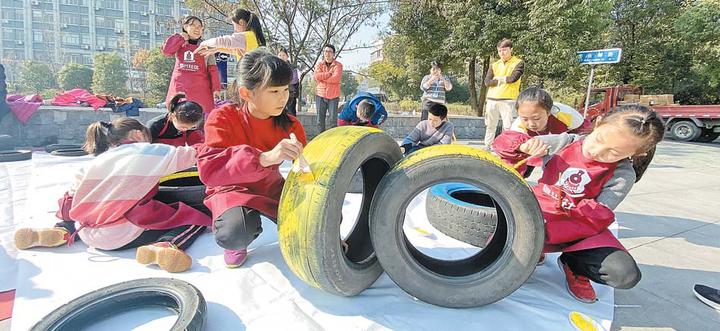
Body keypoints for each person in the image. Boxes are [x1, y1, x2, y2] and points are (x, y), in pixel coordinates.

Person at [499, 104, 665, 303]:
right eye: (599, 139)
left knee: (624, 274)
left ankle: (573, 265)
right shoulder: (564, 142)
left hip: (578, 228)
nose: (597, 151)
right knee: (494, 237)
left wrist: (540, 236)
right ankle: (535, 251)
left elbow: (593, 217)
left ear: (637, 154)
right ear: (599, 123)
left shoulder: (623, 175)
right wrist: (522, 145)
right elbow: (502, 143)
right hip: (538, 213)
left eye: (613, 152)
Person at [14, 118, 210, 273]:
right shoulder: (149, 151)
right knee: (192, 216)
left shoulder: (95, 162)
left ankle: (61, 232)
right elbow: (194, 154)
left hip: (85, 231)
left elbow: (69, 202)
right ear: (137, 133)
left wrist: (68, 220)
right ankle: (166, 245)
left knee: (88, 210)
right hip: (122, 235)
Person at [196, 48, 307, 268]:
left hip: (269, 187)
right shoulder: (223, 117)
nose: (283, 97)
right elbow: (209, 170)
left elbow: (307, 167)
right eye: (274, 91)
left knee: (317, 215)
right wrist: (263, 158)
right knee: (236, 231)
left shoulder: (290, 124)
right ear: (247, 93)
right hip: (230, 189)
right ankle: (235, 243)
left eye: (286, 89)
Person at [493, 87, 592, 175]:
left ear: (548, 112)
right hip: (533, 149)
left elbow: (585, 136)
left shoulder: (569, 117)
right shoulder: (518, 127)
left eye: (536, 118)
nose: (531, 124)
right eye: (525, 119)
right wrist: (522, 147)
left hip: (563, 148)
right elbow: (501, 143)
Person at [162, 16, 221, 116]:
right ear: (185, 27)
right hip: (180, 90)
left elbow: (213, 69)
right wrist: (180, 38)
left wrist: (216, 89)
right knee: (179, 119)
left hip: (200, 92)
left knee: (199, 121)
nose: (197, 29)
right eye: (193, 25)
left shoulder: (206, 46)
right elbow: (167, 51)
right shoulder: (179, 43)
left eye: (200, 26)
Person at [483, 38, 525, 149]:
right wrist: (503, 80)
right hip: (492, 98)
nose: (502, 52)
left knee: (508, 126)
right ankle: (487, 145)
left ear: (511, 49)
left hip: (508, 100)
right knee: (490, 125)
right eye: (500, 50)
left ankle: (507, 147)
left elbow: (513, 79)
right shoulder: (494, 65)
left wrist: (498, 79)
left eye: (505, 50)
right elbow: (487, 82)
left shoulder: (518, 62)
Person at [194, 8, 266, 59]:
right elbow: (234, 50)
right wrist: (216, 49)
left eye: (233, 25)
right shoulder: (253, 37)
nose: (234, 28)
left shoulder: (244, 36)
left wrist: (204, 43)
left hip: (248, 77)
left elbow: (223, 41)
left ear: (241, 22)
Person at [314, 44, 343, 132]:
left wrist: (322, 79)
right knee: (319, 121)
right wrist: (328, 74)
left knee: (333, 122)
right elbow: (316, 76)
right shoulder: (319, 64)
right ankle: (321, 140)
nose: (327, 53)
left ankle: (333, 141)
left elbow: (336, 79)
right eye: (325, 51)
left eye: (330, 52)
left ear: (333, 54)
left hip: (333, 96)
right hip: (320, 95)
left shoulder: (338, 65)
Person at [278, 47, 300, 116]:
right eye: (280, 55)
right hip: (277, 94)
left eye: (284, 55)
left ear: (287, 56)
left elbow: (294, 80)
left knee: (291, 114)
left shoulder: (292, 67)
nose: (282, 57)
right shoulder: (275, 68)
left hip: (290, 94)